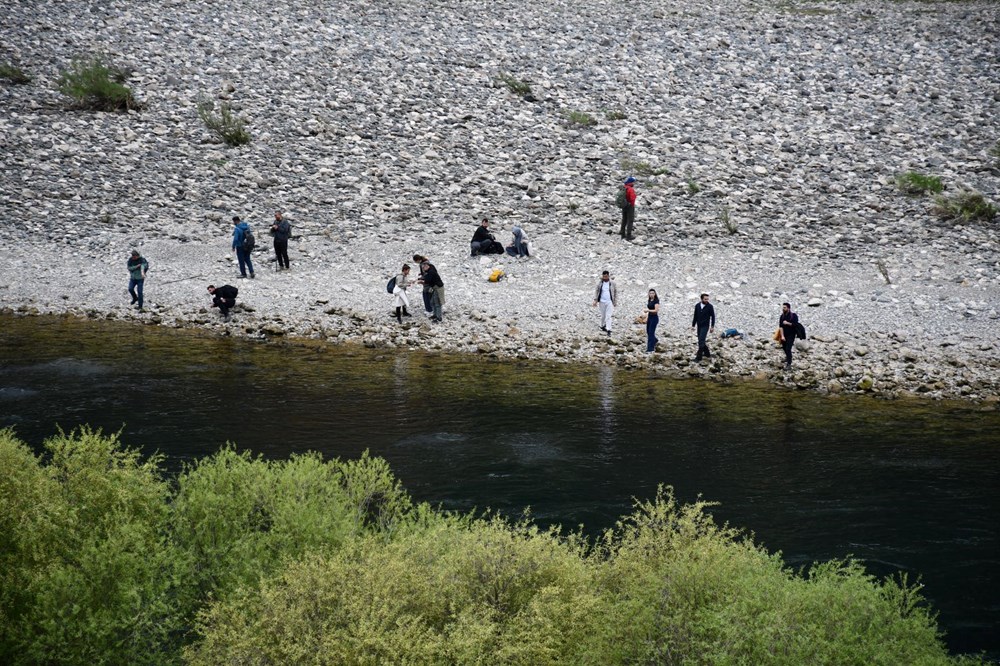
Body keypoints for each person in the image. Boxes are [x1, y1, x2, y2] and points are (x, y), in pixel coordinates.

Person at [691, 293, 715, 361]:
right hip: (699, 325)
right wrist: (693, 325)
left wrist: (712, 326)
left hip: (705, 326)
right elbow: (695, 316)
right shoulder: (697, 306)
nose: (707, 300)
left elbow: (713, 316)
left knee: (701, 340)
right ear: (701, 299)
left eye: (707, 299)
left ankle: (699, 357)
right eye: (705, 299)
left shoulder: (710, 306)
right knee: (701, 340)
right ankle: (707, 353)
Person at [592, 270, 617, 336]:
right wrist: (595, 300)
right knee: (603, 315)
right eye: (604, 276)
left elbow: (615, 292)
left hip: (609, 301)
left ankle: (609, 329)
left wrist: (615, 302)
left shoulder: (612, 283)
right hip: (602, 301)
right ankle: (602, 325)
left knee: (608, 316)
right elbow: (596, 291)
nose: (605, 278)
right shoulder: (600, 283)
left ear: (608, 276)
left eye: (606, 276)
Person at [779, 302, 800, 369]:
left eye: (785, 307)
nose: (783, 308)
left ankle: (789, 364)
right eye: (783, 307)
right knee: (784, 348)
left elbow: (795, 324)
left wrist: (787, 323)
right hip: (784, 334)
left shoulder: (794, 316)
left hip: (791, 335)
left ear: (788, 308)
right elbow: (780, 327)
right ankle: (788, 357)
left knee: (788, 349)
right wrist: (782, 336)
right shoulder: (782, 316)